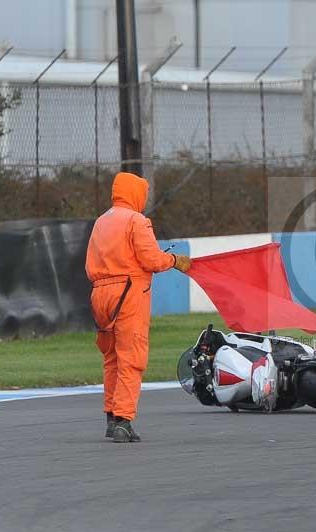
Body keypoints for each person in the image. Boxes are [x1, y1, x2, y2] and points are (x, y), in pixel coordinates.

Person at [85, 172, 192, 443]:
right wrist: (174, 260)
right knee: (132, 358)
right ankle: (124, 421)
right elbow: (151, 260)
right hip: (128, 293)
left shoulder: (101, 221)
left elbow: (89, 263)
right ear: (136, 194)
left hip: (99, 294)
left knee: (111, 358)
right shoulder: (136, 220)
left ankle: (111, 417)